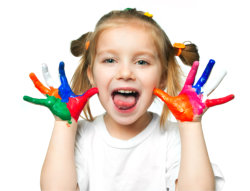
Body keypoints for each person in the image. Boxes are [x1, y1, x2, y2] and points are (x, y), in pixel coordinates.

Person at [23, 8, 234, 191]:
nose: (125, 72)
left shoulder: (174, 138)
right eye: (110, 60)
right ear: (91, 75)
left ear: (161, 78)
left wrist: (190, 126)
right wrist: (64, 125)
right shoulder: (81, 137)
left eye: (142, 62)